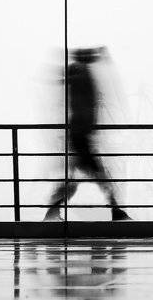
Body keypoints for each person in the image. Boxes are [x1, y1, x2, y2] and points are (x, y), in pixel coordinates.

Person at [44, 47, 130, 221]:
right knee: (99, 176)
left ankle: (52, 212)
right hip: (81, 136)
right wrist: (99, 55)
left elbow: (65, 79)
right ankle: (117, 212)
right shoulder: (81, 73)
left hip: (79, 135)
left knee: (78, 179)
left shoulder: (78, 73)